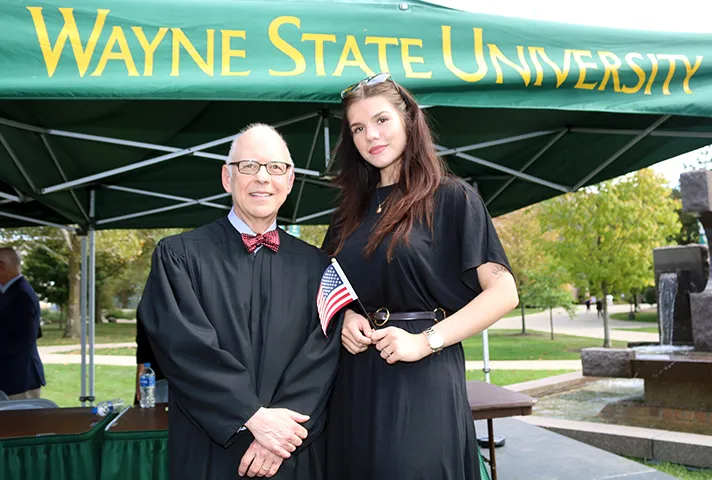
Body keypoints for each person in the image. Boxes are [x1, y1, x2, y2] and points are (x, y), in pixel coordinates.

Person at [323, 73, 519, 480]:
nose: (370, 136)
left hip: (421, 375)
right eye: (358, 128)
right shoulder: (348, 213)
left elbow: (503, 293)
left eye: (381, 120)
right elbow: (327, 283)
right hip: (354, 381)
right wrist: (343, 317)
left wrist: (425, 342)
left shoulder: (452, 197)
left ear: (409, 121)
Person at [137, 124, 342, 480]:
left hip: (292, 449)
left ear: (290, 181)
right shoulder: (179, 256)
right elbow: (183, 349)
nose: (263, 178)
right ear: (226, 178)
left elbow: (323, 356)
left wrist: (276, 437)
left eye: (275, 168)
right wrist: (252, 415)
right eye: (248, 166)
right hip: (212, 447)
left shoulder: (319, 266)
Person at [0, 247, 46, 399]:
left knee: (21, 423)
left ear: (1, 267)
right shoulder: (9, 291)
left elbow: (24, 341)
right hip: (11, 378)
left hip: (19, 381)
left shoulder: (22, 295)